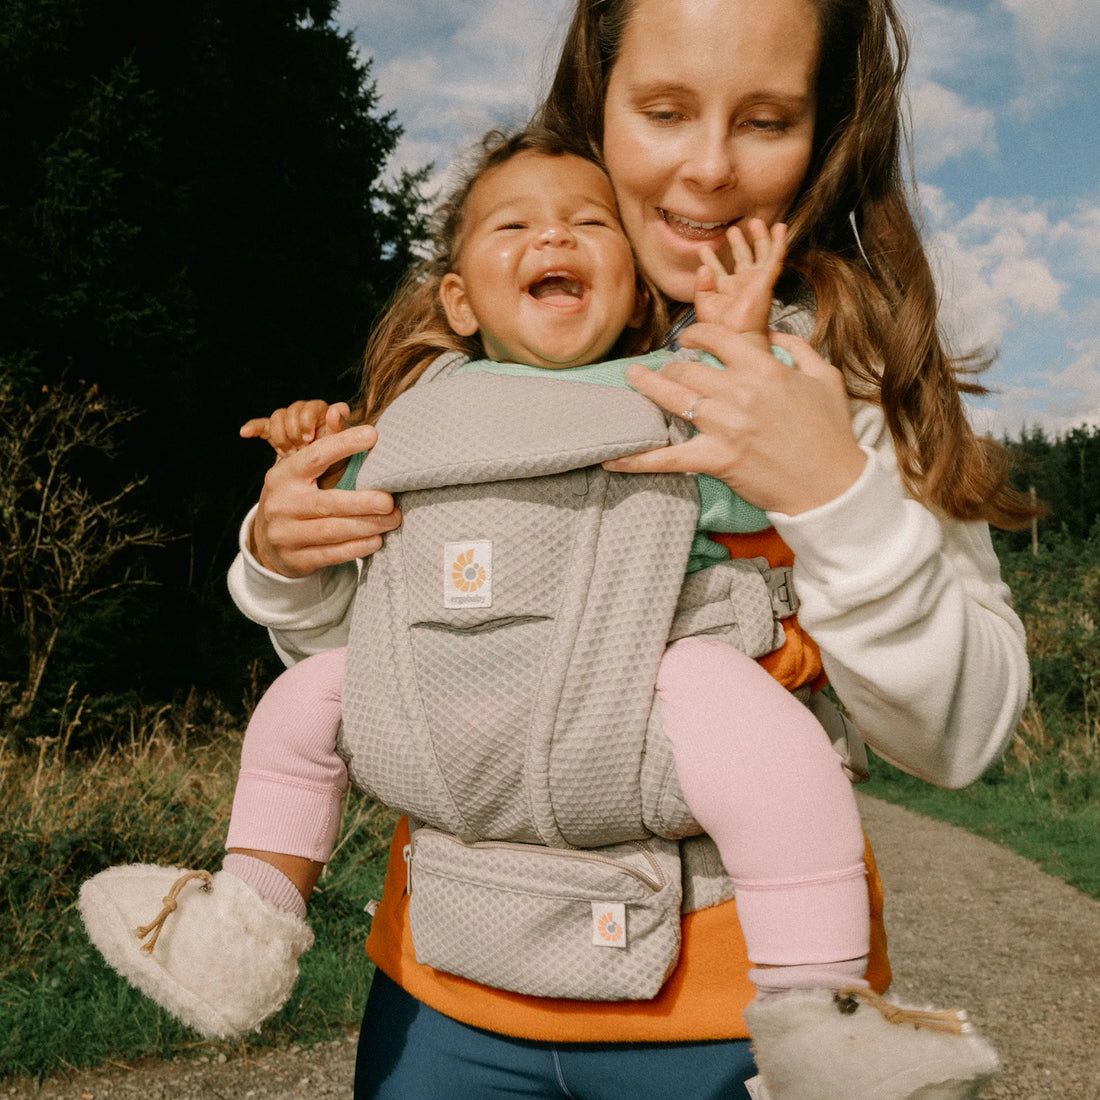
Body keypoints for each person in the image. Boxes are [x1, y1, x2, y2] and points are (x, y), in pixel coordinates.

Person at [221, 0, 1033, 1096]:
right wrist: (283, 559)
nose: (704, 169)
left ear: (827, 129)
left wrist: (832, 493)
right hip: (443, 989)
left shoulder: (843, 376)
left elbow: (959, 733)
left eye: (764, 118)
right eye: (662, 109)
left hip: (725, 1019)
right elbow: (402, 653)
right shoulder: (480, 355)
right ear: (595, 102)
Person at [80, 130, 891, 1058]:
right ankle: (245, 931)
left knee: (739, 708)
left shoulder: (668, 392)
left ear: (634, 296)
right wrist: (300, 476)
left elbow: (765, 481)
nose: (555, 236)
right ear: (459, 301)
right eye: (516, 223)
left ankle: (822, 1010)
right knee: (303, 699)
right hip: (446, 735)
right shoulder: (418, 414)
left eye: (590, 222)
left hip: (625, 729)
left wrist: (746, 348)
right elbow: (337, 551)